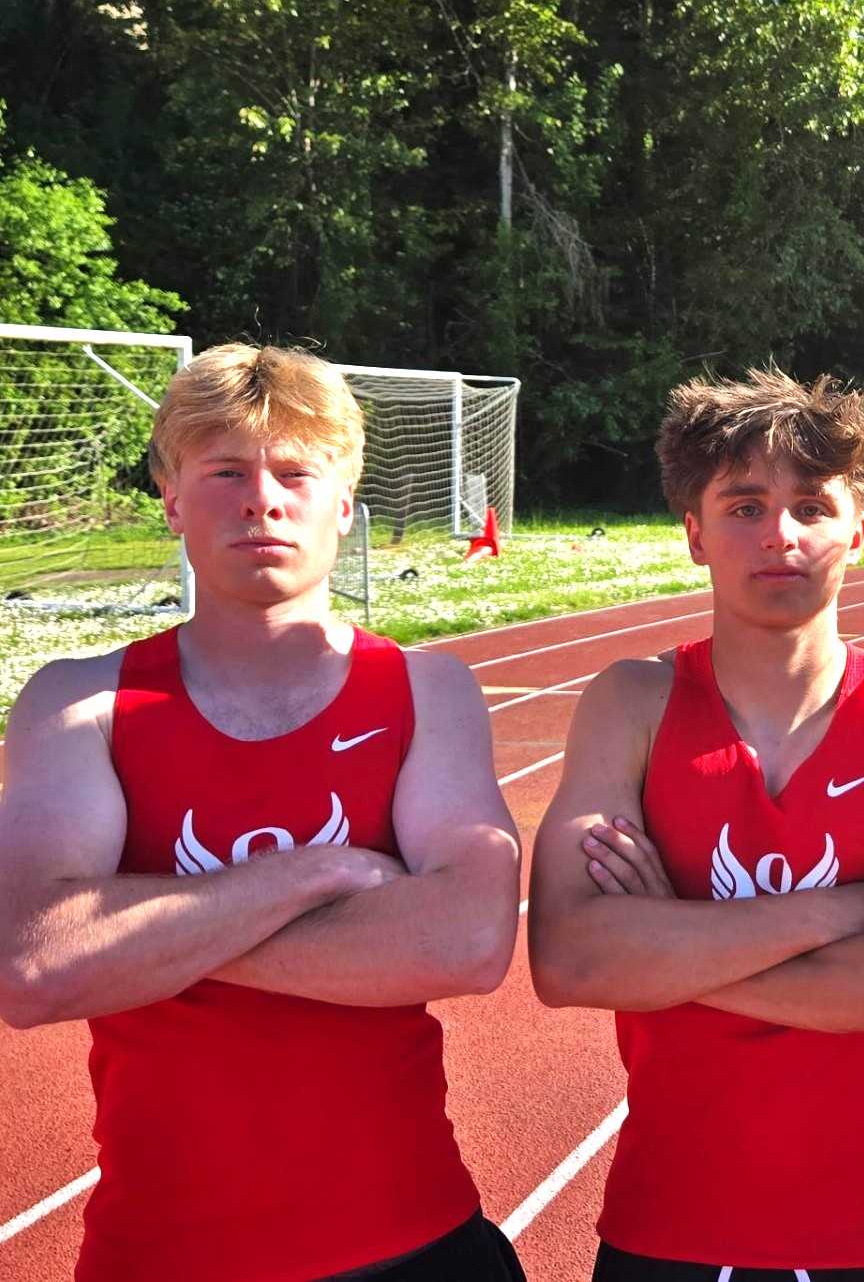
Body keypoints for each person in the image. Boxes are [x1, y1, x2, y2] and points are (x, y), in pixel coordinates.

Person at [0, 344, 525, 1280]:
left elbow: (467, 943)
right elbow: (37, 964)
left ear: (343, 504)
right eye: (226, 473)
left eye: (295, 472)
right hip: (159, 1255)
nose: (262, 500)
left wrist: (145, 937)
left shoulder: (427, 692)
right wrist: (312, 873)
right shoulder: (78, 703)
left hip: (415, 1243)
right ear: (171, 500)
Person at [527, 368, 864, 1282]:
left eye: (812, 505)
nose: (780, 534)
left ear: (859, 527)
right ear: (693, 532)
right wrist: (850, 911)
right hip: (672, 1222)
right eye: (743, 506)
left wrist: (673, 952)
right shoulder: (633, 703)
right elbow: (573, 959)